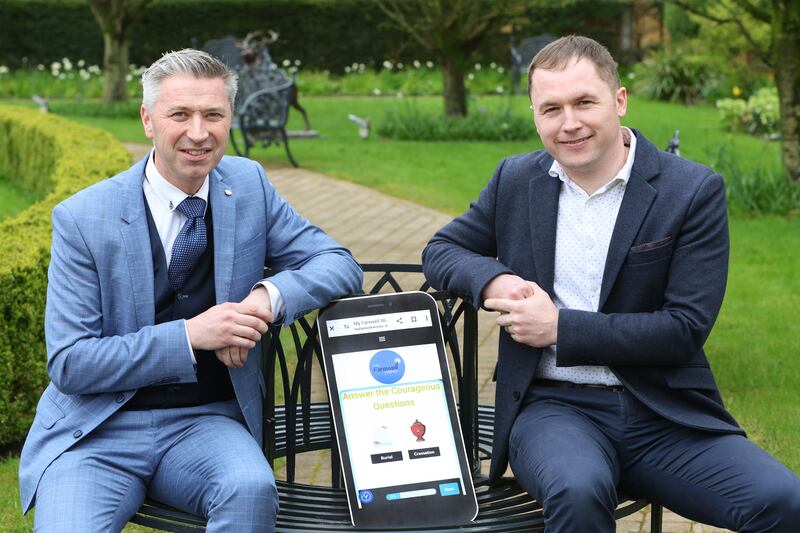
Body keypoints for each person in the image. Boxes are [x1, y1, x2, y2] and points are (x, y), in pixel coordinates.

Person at [422, 35, 800, 532]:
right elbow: (441, 251)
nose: (569, 123)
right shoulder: (516, 180)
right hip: (554, 408)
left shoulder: (690, 190)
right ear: (536, 115)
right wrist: (496, 280)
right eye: (551, 108)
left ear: (619, 100)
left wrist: (560, 328)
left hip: (665, 412)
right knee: (579, 492)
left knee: (784, 501)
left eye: (584, 102)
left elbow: (682, 329)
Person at [19, 49, 363, 532]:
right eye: (180, 114)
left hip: (207, 424)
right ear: (147, 120)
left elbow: (338, 263)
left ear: (229, 119)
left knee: (251, 490)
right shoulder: (83, 218)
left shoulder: (248, 185)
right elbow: (71, 362)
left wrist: (262, 300)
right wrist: (192, 335)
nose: (198, 132)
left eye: (213, 115)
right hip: (97, 432)